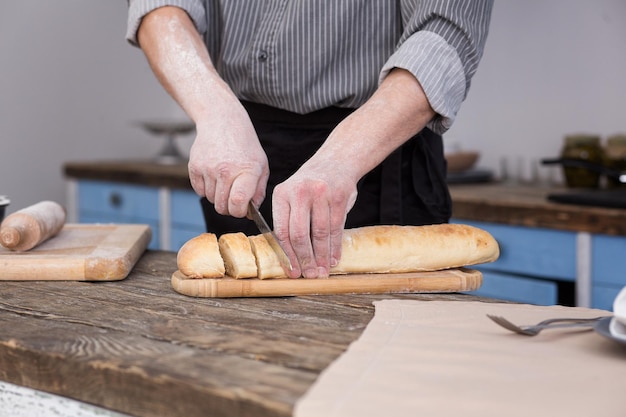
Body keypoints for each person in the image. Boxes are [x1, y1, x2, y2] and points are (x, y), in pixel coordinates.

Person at [126, 0, 493, 279]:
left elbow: (445, 32)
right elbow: (160, 7)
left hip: (378, 153)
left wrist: (341, 158)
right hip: (237, 148)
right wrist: (216, 112)